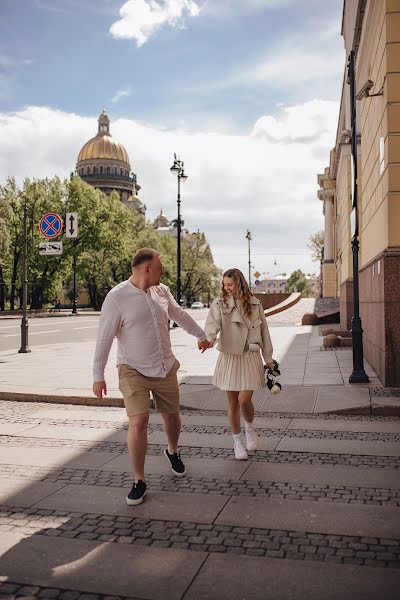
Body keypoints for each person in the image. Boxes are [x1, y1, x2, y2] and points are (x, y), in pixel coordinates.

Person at [93, 248, 211, 505]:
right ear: (147, 269)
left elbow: (178, 314)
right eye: (160, 267)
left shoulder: (162, 291)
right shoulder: (117, 298)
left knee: (172, 417)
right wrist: (98, 375)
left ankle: (172, 450)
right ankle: (139, 480)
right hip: (132, 368)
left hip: (164, 365)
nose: (163, 271)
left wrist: (201, 335)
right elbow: (104, 337)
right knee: (138, 422)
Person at [204, 268, 274, 460]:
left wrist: (268, 358)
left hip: (250, 356)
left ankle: (250, 428)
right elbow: (212, 325)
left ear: (240, 283)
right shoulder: (220, 304)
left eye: (231, 284)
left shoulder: (255, 304)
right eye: (225, 285)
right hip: (230, 356)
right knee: (233, 402)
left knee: (244, 399)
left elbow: (265, 332)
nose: (227, 288)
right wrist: (208, 340)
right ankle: (237, 442)